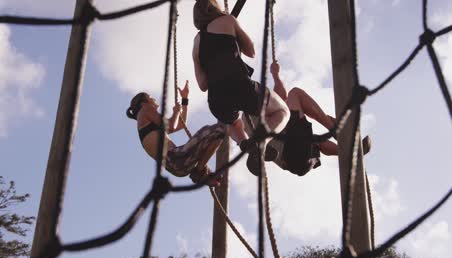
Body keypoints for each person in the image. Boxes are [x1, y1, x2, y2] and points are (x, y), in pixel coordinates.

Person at [192, 0, 290, 176]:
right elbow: (251, 51)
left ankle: (245, 144)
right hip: (239, 85)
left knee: (233, 122)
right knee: (282, 111)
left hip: (216, 99)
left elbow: (202, 85)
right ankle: (261, 143)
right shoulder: (228, 20)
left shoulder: (196, 42)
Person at [268, 61, 371, 176]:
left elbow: (281, 99)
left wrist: (275, 74)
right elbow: (281, 98)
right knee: (295, 94)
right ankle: (334, 130)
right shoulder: (268, 114)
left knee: (315, 140)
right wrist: (275, 75)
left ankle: (350, 152)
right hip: (293, 150)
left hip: (298, 163)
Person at [126, 81, 225, 186]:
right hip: (176, 158)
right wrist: (176, 112)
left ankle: (201, 173)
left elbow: (181, 125)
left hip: (178, 167)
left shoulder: (146, 123)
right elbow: (171, 126)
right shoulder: (145, 109)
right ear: (143, 102)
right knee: (217, 130)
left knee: (218, 136)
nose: (154, 99)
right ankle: (199, 171)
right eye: (150, 97)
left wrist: (184, 100)